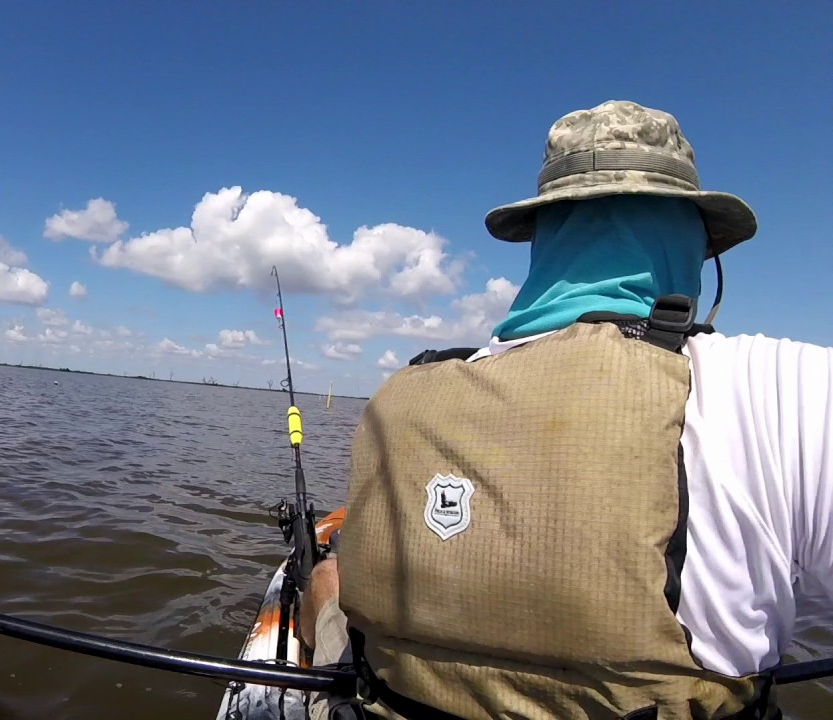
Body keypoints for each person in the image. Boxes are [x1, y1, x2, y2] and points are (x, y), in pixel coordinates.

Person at [301, 100, 833, 720]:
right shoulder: (791, 386)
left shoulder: (404, 392)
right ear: (697, 244)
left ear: (543, 240)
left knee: (328, 582)